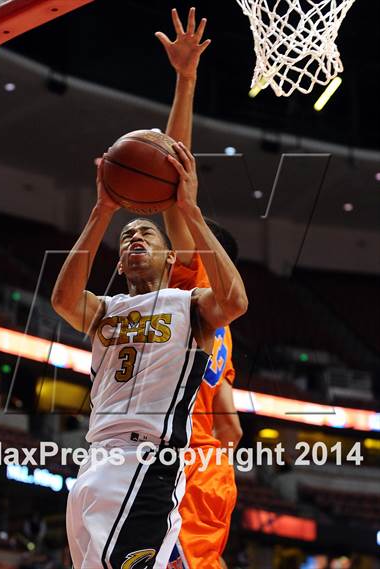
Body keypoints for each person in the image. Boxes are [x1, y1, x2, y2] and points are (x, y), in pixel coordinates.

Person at [51, 138, 248, 567]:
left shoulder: (191, 305)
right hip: (94, 462)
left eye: (146, 233)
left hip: (148, 463)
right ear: (119, 263)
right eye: (127, 236)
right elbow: (64, 300)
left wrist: (191, 211)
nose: (136, 235)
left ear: (171, 257)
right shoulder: (105, 309)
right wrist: (102, 211)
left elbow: (234, 302)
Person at [155, 8, 243, 569]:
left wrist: (185, 79)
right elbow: (231, 424)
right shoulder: (226, 322)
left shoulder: (195, 282)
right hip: (216, 475)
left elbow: (173, 181)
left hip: (182, 468)